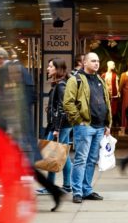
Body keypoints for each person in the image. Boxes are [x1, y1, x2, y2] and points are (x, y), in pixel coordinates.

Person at [0, 48, 64, 211]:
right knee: (25, 166)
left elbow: (8, 100)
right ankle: (53, 192)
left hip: (17, 127)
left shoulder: (7, 71)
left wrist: (12, 123)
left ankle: (17, 196)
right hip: (21, 124)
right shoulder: (22, 70)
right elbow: (31, 97)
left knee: (19, 164)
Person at [63, 52, 112, 204]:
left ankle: (87, 189)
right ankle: (77, 191)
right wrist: (78, 121)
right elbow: (68, 103)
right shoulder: (75, 79)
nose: (96, 63)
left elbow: (106, 101)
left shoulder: (100, 79)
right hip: (84, 126)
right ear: (84, 63)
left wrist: (107, 124)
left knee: (92, 160)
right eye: (93, 61)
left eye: (98, 61)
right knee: (81, 159)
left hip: (99, 127)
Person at [37, 58, 73, 195]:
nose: (47, 68)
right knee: (62, 154)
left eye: (50, 66)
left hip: (60, 126)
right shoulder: (59, 84)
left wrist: (56, 128)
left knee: (53, 154)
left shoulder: (61, 85)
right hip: (61, 125)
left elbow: (64, 107)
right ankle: (66, 185)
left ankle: (51, 186)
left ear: (57, 69)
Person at [101, 60, 120, 126]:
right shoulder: (104, 75)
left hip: (114, 94)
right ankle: (106, 123)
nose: (114, 66)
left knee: (114, 109)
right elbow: (102, 84)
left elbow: (116, 84)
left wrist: (118, 92)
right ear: (108, 65)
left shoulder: (115, 75)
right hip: (106, 94)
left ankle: (113, 123)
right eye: (113, 65)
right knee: (106, 108)